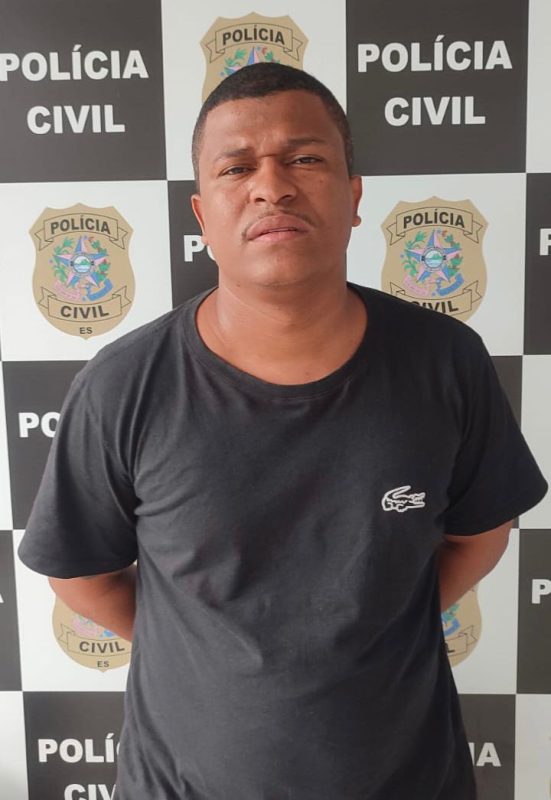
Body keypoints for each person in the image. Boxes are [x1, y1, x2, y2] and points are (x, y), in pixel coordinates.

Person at [18, 63, 547, 800]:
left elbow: (479, 534)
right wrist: (207, 652)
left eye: (304, 158)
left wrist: (376, 630)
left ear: (354, 197)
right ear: (202, 216)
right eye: (237, 168)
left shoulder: (445, 360)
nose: (272, 186)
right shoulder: (122, 384)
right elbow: (80, 575)